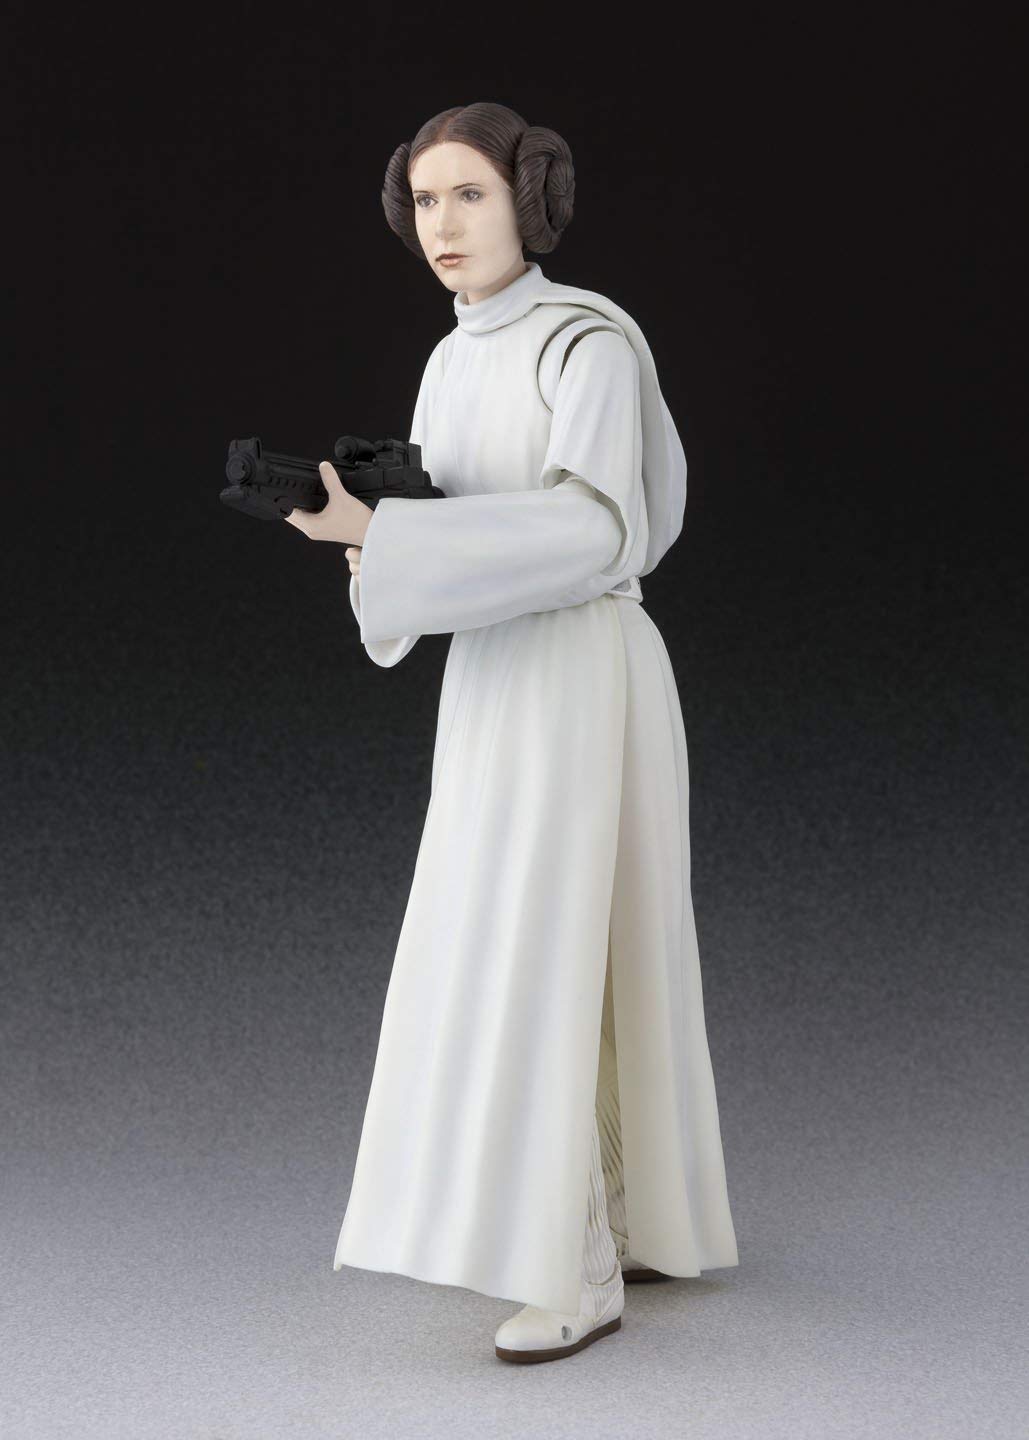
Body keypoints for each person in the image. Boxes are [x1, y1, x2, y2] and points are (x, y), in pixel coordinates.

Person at [286, 101, 739, 1364]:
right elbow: (456, 529)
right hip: (494, 677)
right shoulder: (451, 359)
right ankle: (623, 1215)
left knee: (553, 951)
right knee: (515, 943)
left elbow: (594, 529)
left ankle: (573, 1264)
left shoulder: (586, 345)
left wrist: (391, 538)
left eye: (471, 194)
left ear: (529, 201)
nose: (445, 222)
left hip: (581, 670)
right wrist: (376, 543)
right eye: (427, 199)